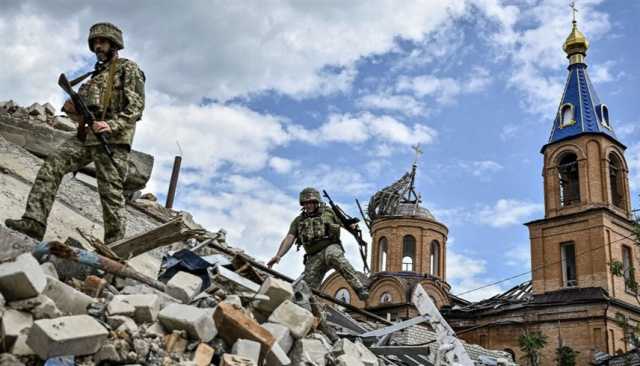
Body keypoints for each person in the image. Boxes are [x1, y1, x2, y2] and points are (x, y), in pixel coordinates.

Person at [5, 22, 145, 244]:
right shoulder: (95, 76)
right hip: (86, 137)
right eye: (95, 43)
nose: (98, 46)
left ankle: (116, 248)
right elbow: (85, 110)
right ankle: (34, 222)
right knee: (52, 166)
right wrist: (73, 110)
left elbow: (136, 107)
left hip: (113, 140)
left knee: (110, 194)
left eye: (102, 42)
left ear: (114, 44)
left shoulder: (128, 68)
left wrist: (112, 125)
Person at [268, 187, 369, 301]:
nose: (308, 205)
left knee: (335, 256)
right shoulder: (299, 221)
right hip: (313, 256)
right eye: (306, 203)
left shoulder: (329, 212)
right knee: (305, 288)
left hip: (330, 247)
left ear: (317, 202)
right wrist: (278, 255)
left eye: (311, 202)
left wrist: (352, 227)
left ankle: (360, 288)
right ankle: (306, 308)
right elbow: (289, 238)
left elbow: (345, 223)